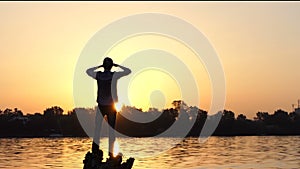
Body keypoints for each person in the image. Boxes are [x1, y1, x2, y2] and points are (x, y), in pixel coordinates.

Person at [86, 57, 131, 158]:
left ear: (104, 65)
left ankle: (95, 152)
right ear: (111, 66)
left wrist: (99, 66)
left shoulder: (99, 75)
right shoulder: (114, 75)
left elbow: (88, 71)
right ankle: (111, 154)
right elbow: (128, 71)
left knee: (97, 129)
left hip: (102, 106)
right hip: (111, 106)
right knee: (111, 130)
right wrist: (118, 65)